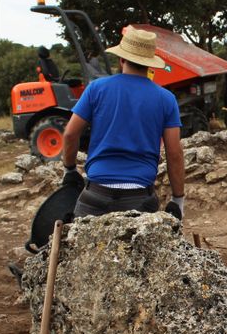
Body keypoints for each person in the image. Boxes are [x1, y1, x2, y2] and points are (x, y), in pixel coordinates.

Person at [61, 27, 185, 220]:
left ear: (121, 59)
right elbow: (174, 153)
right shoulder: (166, 99)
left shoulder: (96, 89)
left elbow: (70, 134)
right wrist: (178, 200)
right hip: (140, 198)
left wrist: (69, 169)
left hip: (95, 194)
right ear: (150, 64)